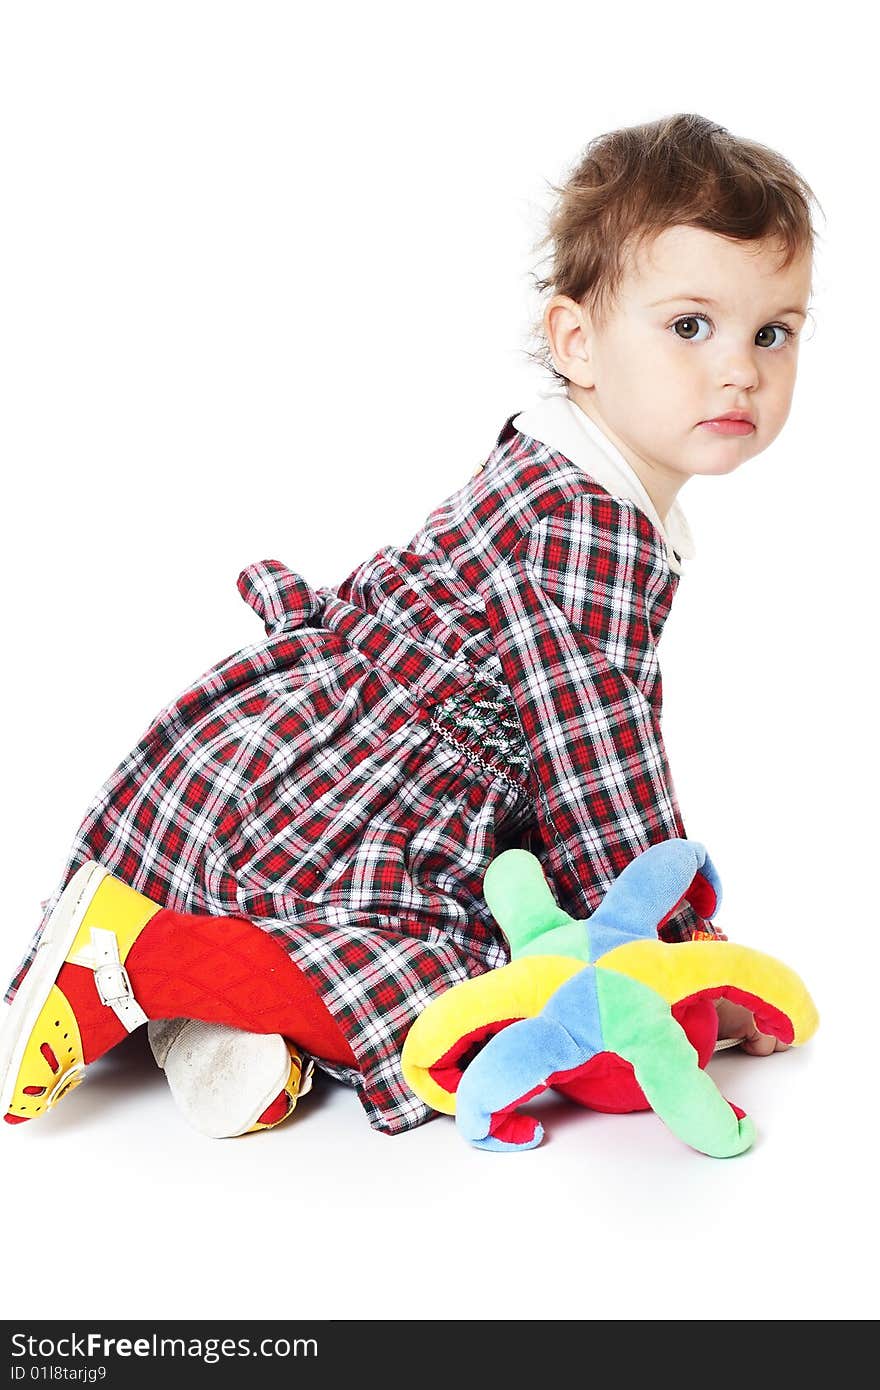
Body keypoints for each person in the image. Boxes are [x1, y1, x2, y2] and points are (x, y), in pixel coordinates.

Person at [0, 111, 821, 1139]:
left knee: (485, 949)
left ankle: (213, 1005)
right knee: (463, 1003)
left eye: (772, 331)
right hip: (354, 800)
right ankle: (146, 962)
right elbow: (596, 758)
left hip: (293, 756)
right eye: (690, 326)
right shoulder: (585, 527)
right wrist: (676, 950)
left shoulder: (560, 459)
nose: (739, 368)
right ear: (577, 342)